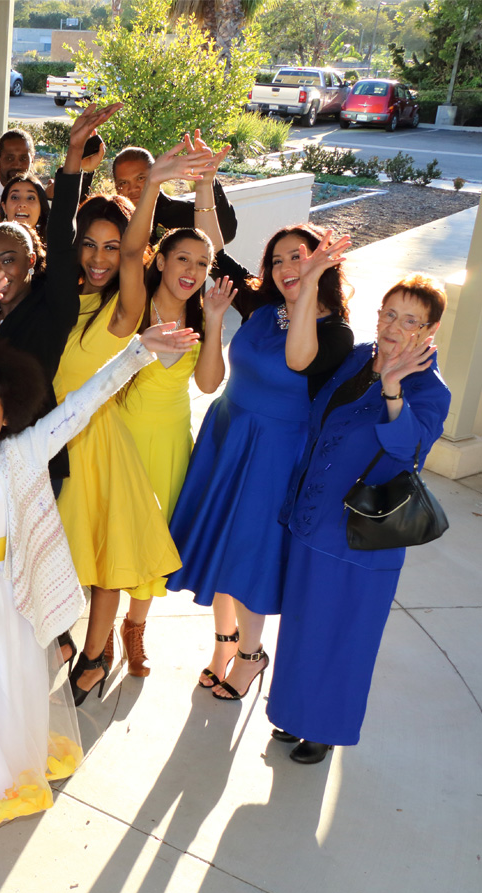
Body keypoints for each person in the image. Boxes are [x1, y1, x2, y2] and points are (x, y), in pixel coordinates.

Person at [0, 269, 199, 840]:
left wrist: (138, 353)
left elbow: (83, 405)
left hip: (5, 594)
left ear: (7, 417)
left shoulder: (23, 453)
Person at [169, 176, 355, 701]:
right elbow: (214, 251)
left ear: (322, 263)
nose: (285, 267)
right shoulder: (261, 306)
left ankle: (252, 655)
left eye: (299, 257)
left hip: (274, 454)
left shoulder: (336, 333)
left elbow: (298, 358)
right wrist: (205, 187)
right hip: (228, 435)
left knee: (248, 553)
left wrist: (308, 288)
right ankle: (225, 643)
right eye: (277, 260)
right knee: (221, 546)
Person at [268, 275, 449, 764]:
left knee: (344, 634)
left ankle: (324, 728)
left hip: (361, 536)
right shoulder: (357, 357)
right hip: (313, 517)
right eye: (390, 313)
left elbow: (408, 448)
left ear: (429, 331)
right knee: (302, 625)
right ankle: (292, 714)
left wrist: (393, 389)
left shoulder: (429, 389)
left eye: (410, 321)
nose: (394, 327)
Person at [48, 106, 186, 705]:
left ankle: (96, 654)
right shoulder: (57, 297)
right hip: (47, 441)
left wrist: (151, 187)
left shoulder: (126, 308)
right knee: (52, 554)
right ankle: (60, 639)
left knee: (104, 562)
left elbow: (134, 256)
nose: (101, 257)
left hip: (98, 445)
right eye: (89, 245)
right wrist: (73, 158)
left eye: (112, 245)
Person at [107, 138, 237, 678]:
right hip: (121, 435)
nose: (192, 269)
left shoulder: (200, 313)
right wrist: (158, 183)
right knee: (116, 531)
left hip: (170, 443)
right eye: (182, 258)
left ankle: (134, 629)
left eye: (202, 263)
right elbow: (129, 251)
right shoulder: (136, 300)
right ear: (161, 260)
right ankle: (98, 631)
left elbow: (208, 383)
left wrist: (213, 322)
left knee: (155, 536)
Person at [112, 145, 239, 244]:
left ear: (156, 174)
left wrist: (206, 178)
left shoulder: (180, 213)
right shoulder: (111, 219)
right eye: (123, 183)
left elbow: (225, 233)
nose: (133, 188)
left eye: (140, 178)